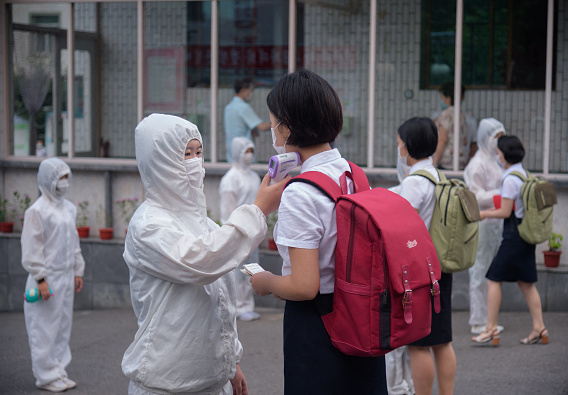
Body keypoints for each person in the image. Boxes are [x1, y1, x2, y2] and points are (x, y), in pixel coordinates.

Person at [121, 113, 287, 395]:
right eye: (186, 153)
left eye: (198, 152)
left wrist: (230, 361)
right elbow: (200, 262)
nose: (195, 161)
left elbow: (220, 301)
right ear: (160, 161)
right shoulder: (148, 225)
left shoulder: (202, 223)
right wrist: (257, 211)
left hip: (212, 379)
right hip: (166, 383)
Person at [250, 69, 388, 395]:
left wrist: (265, 282)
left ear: (286, 126)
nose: (273, 132)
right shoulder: (354, 173)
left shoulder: (301, 192)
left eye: (272, 124)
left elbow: (304, 286)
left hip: (318, 326)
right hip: (361, 316)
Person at [398, 117, 456, 395]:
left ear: (408, 147)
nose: (399, 149)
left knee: (419, 344)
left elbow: (399, 224)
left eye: (400, 144)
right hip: (443, 265)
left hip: (421, 272)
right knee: (443, 341)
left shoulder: (414, 183)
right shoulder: (439, 176)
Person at [472, 135, 549, 346]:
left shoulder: (509, 179)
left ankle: (490, 329)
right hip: (527, 235)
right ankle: (539, 328)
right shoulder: (524, 174)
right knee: (526, 284)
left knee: (493, 278)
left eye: (498, 152)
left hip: (514, 236)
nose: (497, 155)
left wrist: (485, 213)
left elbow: (506, 212)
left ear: (505, 155)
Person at [21, 157, 85, 393]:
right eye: (60, 178)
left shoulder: (68, 208)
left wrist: (78, 270)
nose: (64, 183)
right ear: (48, 180)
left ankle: (58, 371)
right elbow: (32, 248)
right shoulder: (36, 211)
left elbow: (74, 242)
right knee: (44, 327)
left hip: (66, 275)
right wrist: (40, 278)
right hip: (47, 279)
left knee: (61, 327)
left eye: (66, 178)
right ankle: (45, 376)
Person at [463, 118, 507, 335]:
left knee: (491, 272)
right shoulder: (477, 164)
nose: (498, 142)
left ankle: (488, 318)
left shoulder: (497, 161)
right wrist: (501, 195)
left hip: (497, 222)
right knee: (480, 270)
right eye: (495, 137)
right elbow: (475, 195)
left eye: (500, 137)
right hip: (483, 223)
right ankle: (478, 320)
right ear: (484, 138)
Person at [220, 136, 262, 321]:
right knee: (237, 271)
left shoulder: (254, 177)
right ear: (237, 152)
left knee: (250, 269)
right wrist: (233, 232)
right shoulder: (230, 179)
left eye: (251, 151)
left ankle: (248, 305)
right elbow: (228, 209)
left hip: (253, 231)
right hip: (238, 231)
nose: (249, 155)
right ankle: (237, 307)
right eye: (246, 151)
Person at [224, 77, 271, 162]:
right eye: (250, 90)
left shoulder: (229, 107)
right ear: (243, 90)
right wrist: (279, 122)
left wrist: (251, 129)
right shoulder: (243, 107)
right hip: (244, 155)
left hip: (232, 154)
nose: (251, 93)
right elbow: (262, 127)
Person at [432, 82, 477, 170]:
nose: (442, 100)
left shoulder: (446, 115)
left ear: (448, 98)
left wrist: (434, 162)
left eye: (443, 97)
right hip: (460, 161)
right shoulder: (461, 115)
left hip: (447, 162)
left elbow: (443, 140)